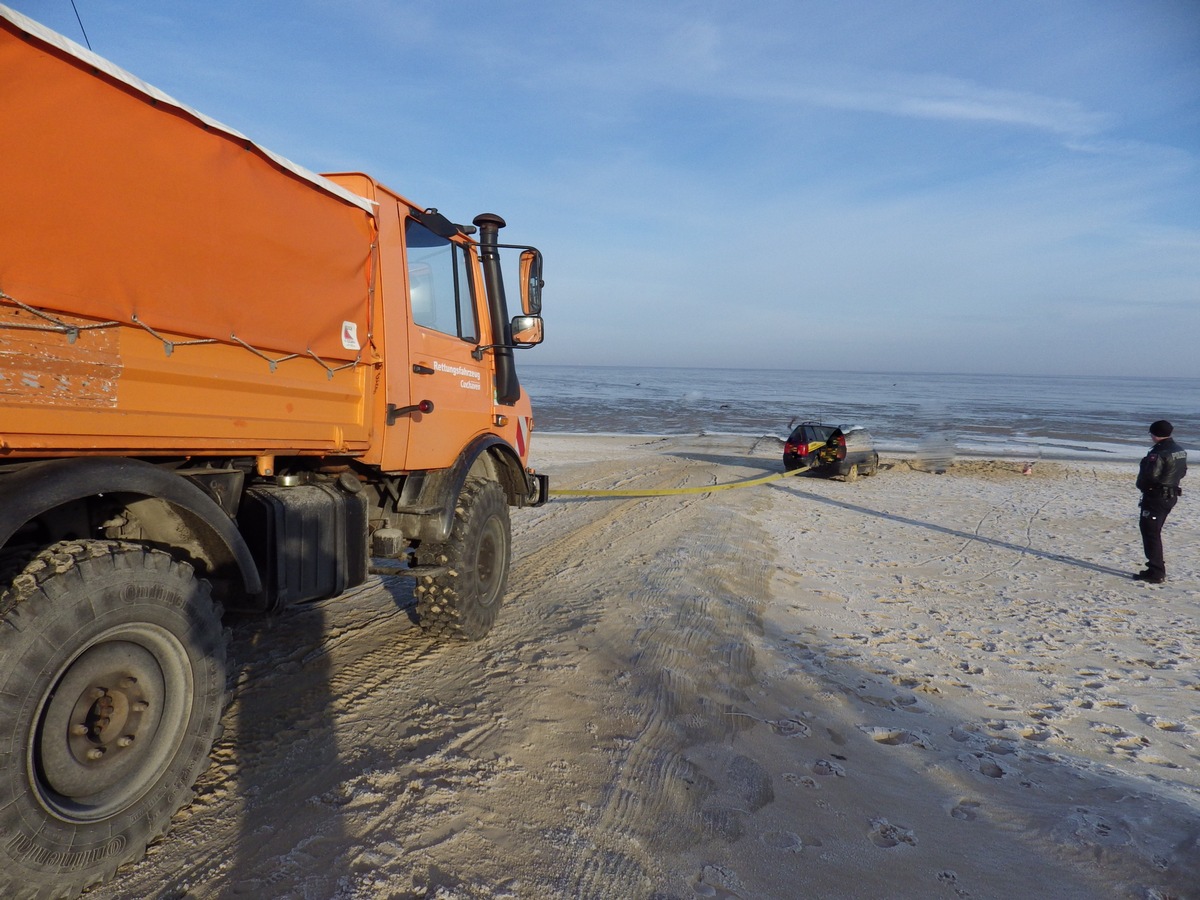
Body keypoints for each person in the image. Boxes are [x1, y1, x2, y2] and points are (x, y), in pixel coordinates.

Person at [1134, 420, 1187, 584]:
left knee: (1151, 533)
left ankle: (1156, 571)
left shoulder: (1158, 453)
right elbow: (1182, 471)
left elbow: (1150, 476)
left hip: (1156, 497)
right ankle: (1154, 568)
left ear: (1155, 435)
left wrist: (1142, 485)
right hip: (1170, 496)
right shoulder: (1179, 450)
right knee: (1153, 532)